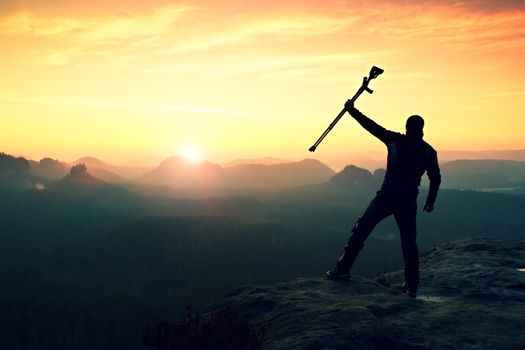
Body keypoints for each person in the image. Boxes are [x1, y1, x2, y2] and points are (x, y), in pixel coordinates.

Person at [326, 100, 441, 298]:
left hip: (386, 196)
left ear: (407, 128)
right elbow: (435, 178)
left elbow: (371, 126)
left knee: (361, 230)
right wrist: (430, 201)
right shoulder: (428, 151)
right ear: (422, 130)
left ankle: (342, 268)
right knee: (409, 243)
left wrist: (352, 111)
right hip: (408, 200)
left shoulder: (395, 140)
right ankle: (412, 286)